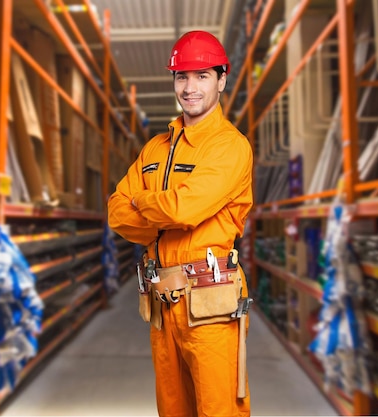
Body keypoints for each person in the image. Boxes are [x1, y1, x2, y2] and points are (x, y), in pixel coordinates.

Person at [107, 30, 253, 417]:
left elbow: (183, 209)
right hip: (161, 303)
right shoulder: (154, 148)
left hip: (210, 306)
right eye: (182, 77)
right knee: (172, 410)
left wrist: (143, 201)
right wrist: (159, 214)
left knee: (218, 410)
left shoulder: (229, 146)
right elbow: (116, 213)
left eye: (202, 75)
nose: (190, 87)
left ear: (222, 79)